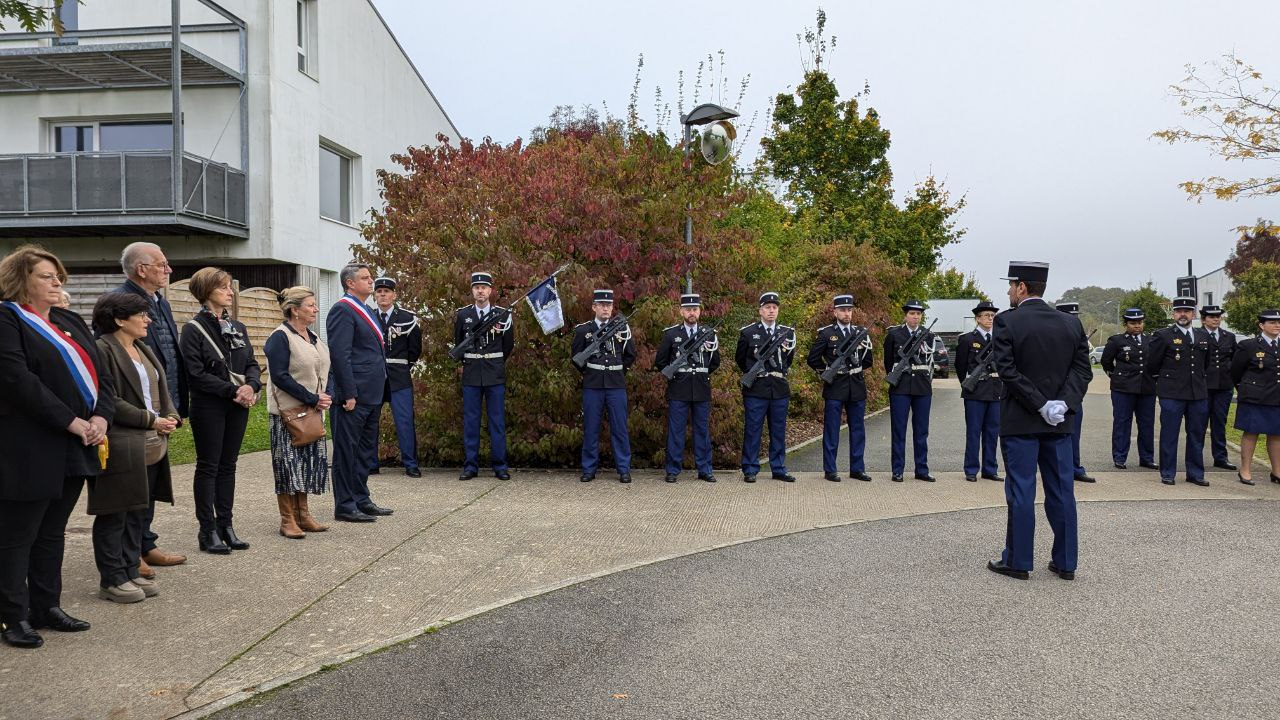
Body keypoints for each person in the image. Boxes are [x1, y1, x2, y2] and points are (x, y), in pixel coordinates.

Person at [0, 245, 114, 648]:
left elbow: (101, 375)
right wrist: (72, 421)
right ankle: (12, 616)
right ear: (21, 279)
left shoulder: (68, 319)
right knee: (19, 534)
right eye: (47, 276)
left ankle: (46, 606)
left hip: (76, 444)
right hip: (29, 445)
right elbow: (17, 380)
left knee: (52, 531)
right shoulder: (7, 319)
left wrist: (101, 418)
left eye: (58, 276)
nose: (56, 282)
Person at [987, 261, 1092, 581]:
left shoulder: (1007, 321)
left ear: (1022, 287)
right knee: (1062, 491)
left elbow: (1007, 371)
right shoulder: (1070, 323)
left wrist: (1040, 404)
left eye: (1011, 285)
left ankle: (1018, 561)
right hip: (1058, 423)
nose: (1008, 291)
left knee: (1022, 491)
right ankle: (1066, 562)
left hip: (1021, 421)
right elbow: (1082, 371)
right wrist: (1062, 403)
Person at [91, 292, 179, 603]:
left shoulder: (142, 347)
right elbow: (108, 398)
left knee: (138, 511)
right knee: (115, 512)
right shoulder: (102, 349)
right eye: (141, 315)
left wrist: (170, 414)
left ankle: (130, 569)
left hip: (150, 443)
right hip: (120, 442)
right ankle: (112, 578)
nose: (148, 320)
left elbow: (160, 388)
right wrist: (150, 419)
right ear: (119, 319)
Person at [113, 241, 188, 575]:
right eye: (162, 264)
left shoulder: (160, 302)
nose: (168, 270)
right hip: (136, 411)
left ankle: (145, 543)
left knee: (153, 478)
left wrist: (175, 405)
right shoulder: (121, 303)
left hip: (162, 407)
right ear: (141, 269)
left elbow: (170, 357)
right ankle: (129, 553)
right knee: (134, 484)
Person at [179, 267, 262, 553]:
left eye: (230, 287)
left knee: (229, 465)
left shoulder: (237, 327)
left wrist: (251, 385)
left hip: (238, 405)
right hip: (209, 405)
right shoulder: (192, 329)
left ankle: (226, 525)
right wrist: (233, 391)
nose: (230, 292)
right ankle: (208, 530)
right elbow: (195, 374)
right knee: (209, 465)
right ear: (206, 291)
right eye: (223, 287)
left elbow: (251, 363)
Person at [264, 287, 333, 538]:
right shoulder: (280, 337)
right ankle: (287, 520)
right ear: (294, 310)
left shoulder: (312, 336)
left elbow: (323, 369)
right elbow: (280, 376)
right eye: (310, 305)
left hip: (311, 412)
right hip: (288, 414)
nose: (316, 309)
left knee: (305, 464)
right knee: (287, 465)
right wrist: (312, 398)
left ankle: (303, 515)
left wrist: (325, 395)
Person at [326, 263, 393, 521]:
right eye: (365, 278)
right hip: (353, 395)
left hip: (372, 393)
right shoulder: (342, 310)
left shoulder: (367, 310)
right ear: (350, 283)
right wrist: (348, 393)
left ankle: (361, 499)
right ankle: (345, 505)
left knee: (365, 451)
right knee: (347, 451)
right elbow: (340, 355)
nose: (371, 281)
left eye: (370, 277)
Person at [806, 294, 873, 482]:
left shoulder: (861, 333)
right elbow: (813, 359)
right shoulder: (826, 334)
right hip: (835, 386)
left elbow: (868, 360)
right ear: (835, 312)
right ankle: (830, 469)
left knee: (858, 430)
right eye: (843, 310)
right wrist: (828, 371)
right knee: (832, 429)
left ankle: (857, 469)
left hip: (856, 386)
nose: (846, 313)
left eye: (849, 310)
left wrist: (853, 370)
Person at [655, 293, 721, 483]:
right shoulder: (671, 334)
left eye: (695, 309)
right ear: (681, 311)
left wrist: (699, 373)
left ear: (699, 311)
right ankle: (673, 470)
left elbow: (714, 362)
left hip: (701, 388)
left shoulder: (709, 334)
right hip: (679, 389)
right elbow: (661, 361)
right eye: (688, 309)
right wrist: (675, 374)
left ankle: (705, 469)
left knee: (702, 431)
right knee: (676, 431)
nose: (692, 313)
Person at [571, 289, 636, 483]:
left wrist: (618, 372)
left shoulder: (622, 328)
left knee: (620, 428)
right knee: (591, 428)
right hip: (593, 385)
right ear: (594, 307)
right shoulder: (583, 330)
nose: (606, 308)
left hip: (616, 385)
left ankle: (623, 469)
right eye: (602, 305)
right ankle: (588, 469)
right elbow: (576, 358)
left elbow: (630, 355)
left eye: (609, 305)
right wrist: (591, 372)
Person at [454, 271, 513, 481]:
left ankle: (500, 466)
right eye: (477, 287)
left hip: (494, 373)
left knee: (497, 422)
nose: (480, 291)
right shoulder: (463, 315)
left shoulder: (502, 315)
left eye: (484, 287)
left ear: (490, 290)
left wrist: (493, 361)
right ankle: (470, 466)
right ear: (472, 291)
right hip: (471, 373)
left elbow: (508, 345)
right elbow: (459, 343)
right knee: (471, 422)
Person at [1148, 297, 1211, 486]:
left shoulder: (1202, 335)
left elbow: (1205, 364)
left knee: (1197, 434)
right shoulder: (1163, 335)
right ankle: (1168, 472)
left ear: (1194, 314)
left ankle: (1195, 473)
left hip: (1197, 393)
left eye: (1187, 311)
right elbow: (1152, 365)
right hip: (1172, 393)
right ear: (1173, 314)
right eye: (1179, 311)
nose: (1183, 314)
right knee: (1169, 434)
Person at [736, 292, 797, 483]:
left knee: (778, 431)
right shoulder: (748, 332)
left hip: (779, 388)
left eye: (774, 307)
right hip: (756, 388)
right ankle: (750, 468)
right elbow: (741, 359)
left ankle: (778, 468)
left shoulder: (787, 333)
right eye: (768, 307)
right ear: (760, 310)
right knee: (753, 430)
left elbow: (788, 359)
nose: (771, 310)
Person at [372, 277, 422, 478]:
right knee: (370, 422)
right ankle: (371, 463)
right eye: (379, 291)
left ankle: (410, 464)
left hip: (399, 378)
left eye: (386, 291)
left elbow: (415, 349)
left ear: (394, 295)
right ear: (374, 295)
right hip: (373, 378)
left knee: (404, 422)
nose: (382, 294)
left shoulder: (407, 318)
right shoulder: (368, 316)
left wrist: (402, 367)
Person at [883, 300, 938, 482]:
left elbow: (929, 359)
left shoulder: (927, 335)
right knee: (899, 430)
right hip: (900, 386)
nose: (916, 317)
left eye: (918, 314)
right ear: (905, 315)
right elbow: (888, 361)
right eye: (912, 313)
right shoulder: (894, 334)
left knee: (922, 431)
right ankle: (897, 469)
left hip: (922, 386)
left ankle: (922, 469)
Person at [1100, 309, 1158, 470]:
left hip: (1146, 388)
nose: (1137, 326)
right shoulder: (1116, 341)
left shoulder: (1151, 340)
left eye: (1140, 322)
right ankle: (1119, 457)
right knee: (1122, 423)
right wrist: (1116, 376)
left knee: (1147, 424)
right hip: (1123, 388)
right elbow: (1106, 361)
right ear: (1126, 324)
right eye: (1133, 323)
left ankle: (1147, 458)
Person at [1229, 309, 1280, 485]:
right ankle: (1245, 470)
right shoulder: (1248, 345)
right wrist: (1244, 389)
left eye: (1279, 322)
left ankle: (1277, 471)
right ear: (1261, 325)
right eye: (1272, 322)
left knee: (1276, 434)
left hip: (1277, 396)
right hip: (1255, 397)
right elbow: (1235, 371)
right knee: (1251, 432)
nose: (1277, 325)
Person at [955, 300, 1004, 482]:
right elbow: (960, 366)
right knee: (974, 432)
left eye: (992, 315)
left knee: (992, 433)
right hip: (975, 392)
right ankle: (971, 469)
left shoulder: (1000, 339)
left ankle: (990, 469)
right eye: (986, 315)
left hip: (995, 390)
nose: (990, 318)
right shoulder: (967, 339)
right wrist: (968, 383)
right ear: (977, 318)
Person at [1055, 302, 1096, 483]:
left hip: (1072, 395)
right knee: (1052, 436)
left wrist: (1074, 393)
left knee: (1073, 434)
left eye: (1076, 317)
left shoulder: (1079, 338)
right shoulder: (1050, 336)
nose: (1074, 320)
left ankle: (1074, 468)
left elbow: (1084, 371)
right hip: (1052, 395)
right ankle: (1056, 469)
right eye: (1070, 316)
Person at [1200, 304, 1238, 471]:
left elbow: (1235, 359)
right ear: (1203, 319)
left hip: (1224, 385)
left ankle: (1220, 457)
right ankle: (1196, 457)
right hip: (1203, 386)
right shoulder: (1197, 335)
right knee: (1199, 423)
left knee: (1219, 422)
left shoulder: (1228, 336)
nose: (1216, 319)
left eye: (1218, 316)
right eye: (1212, 316)